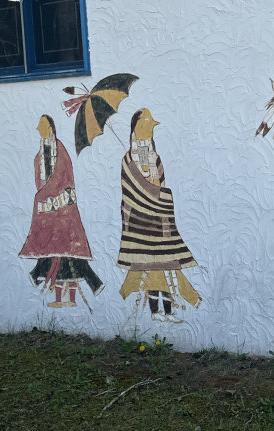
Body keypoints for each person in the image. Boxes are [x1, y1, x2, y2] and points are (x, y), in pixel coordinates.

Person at [117, 108, 201, 322]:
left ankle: (168, 309)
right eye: (142, 124)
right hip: (140, 223)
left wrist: (159, 196)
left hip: (159, 221)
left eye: (149, 125)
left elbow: (160, 184)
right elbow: (133, 190)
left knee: (166, 267)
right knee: (151, 268)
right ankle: (157, 311)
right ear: (134, 128)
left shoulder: (154, 157)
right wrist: (157, 195)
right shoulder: (128, 160)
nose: (146, 129)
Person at [19, 115, 103, 308]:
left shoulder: (61, 151)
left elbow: (64, 179)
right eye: (39, 124)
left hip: (64, 213)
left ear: (51, 127)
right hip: (49, 214)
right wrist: (43, 201)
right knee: (56, 254)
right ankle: (63, 296)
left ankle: (70, 296)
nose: (40, 127)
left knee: (67, 254)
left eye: (44, 124)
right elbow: (40, 183)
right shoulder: (39, 156)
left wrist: (52, 199)